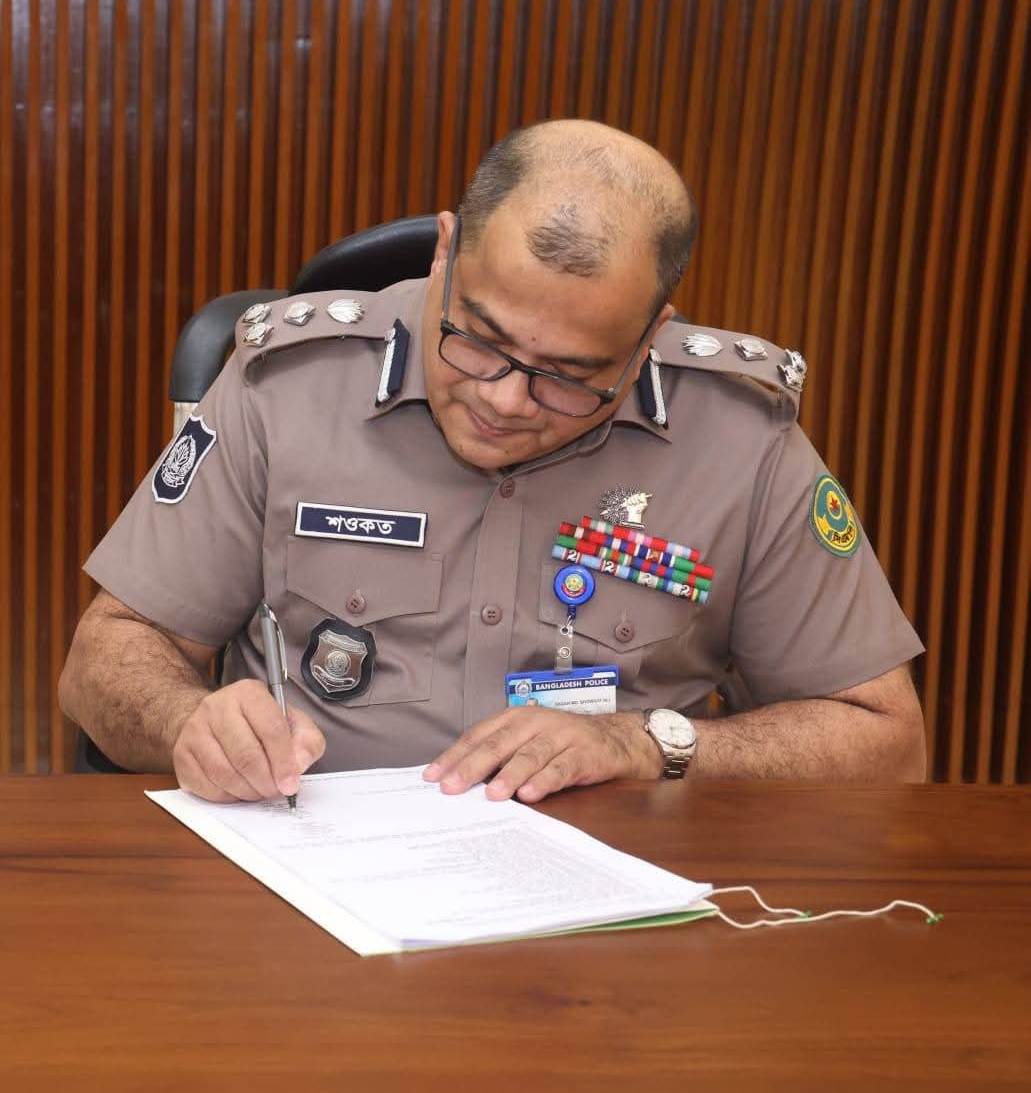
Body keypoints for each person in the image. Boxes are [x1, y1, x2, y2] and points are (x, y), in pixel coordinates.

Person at [59, 119, 926, 805]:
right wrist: (190, 722)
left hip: (610, 905)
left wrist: (649, 743)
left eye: (571, 375)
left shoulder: (739, 438)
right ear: (446, 249)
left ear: (648, 336)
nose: (506, 400)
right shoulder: (287, 387)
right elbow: (108, 658)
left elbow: (884, 743)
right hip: (308, 881)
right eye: (479, 340)